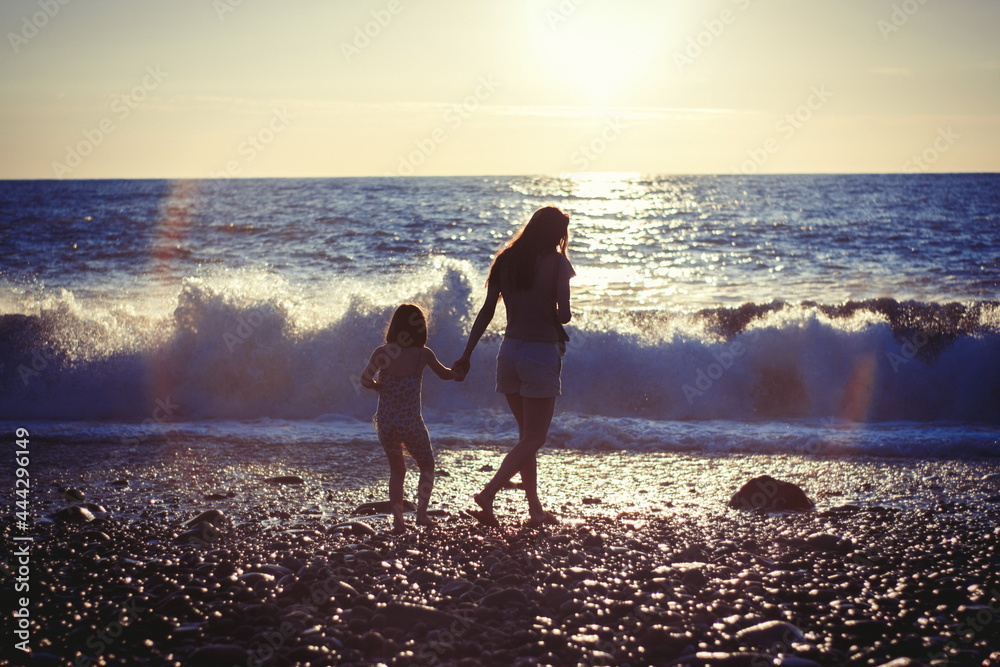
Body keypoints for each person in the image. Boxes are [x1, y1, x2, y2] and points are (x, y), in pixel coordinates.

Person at [452, 206, 575, 528]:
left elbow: (487, 310)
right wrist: (549, 303)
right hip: (540, 353)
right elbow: (564, 315)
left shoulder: (506, 260)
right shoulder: (557, 262)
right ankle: (488, 492)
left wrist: (467, 353)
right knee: (535, 438)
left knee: (525, 438)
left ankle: (534, 510)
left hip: (509, 353)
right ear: (556, 233)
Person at [360, 304, 461, 533]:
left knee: (397, 471)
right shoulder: (422, 354)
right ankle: (422, 515)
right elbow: (446, 375)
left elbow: (365, 380)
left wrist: (380, 387)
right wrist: (459, 371)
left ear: (394, 327)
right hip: (411, 423)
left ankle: (398, 522)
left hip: (386, 422)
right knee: (427, 466)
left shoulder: (382, 352)